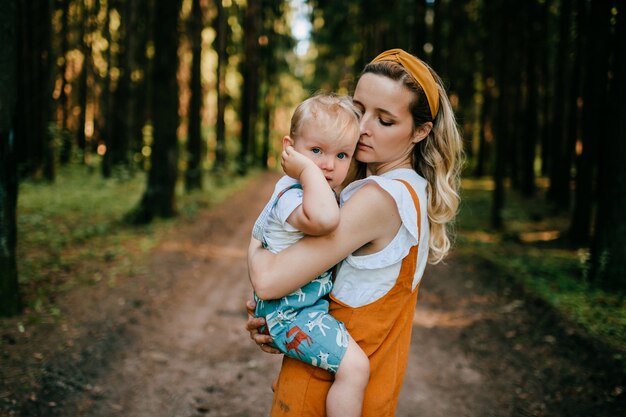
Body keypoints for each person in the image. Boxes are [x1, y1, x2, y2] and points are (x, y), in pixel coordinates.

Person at [247, 48, 464, 417]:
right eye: (359, 108)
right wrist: (277, 323)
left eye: (385, 120)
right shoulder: (409, 189)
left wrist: (255, 245)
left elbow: (268, 282)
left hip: (320, 397)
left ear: (421, 131)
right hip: (359, 391)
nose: (362, 127)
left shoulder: (379, 198)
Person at [250, 93, 370, 417]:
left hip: (301, 307)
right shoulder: (292, 192)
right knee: (356, 368)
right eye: (316, 151)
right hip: (291, 313)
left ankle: (292, 388)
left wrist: (310, 169)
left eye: (342, 154)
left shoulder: (316, 190)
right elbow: (327, 220)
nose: (328, 165)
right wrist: (305, 171)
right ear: (290, 147)